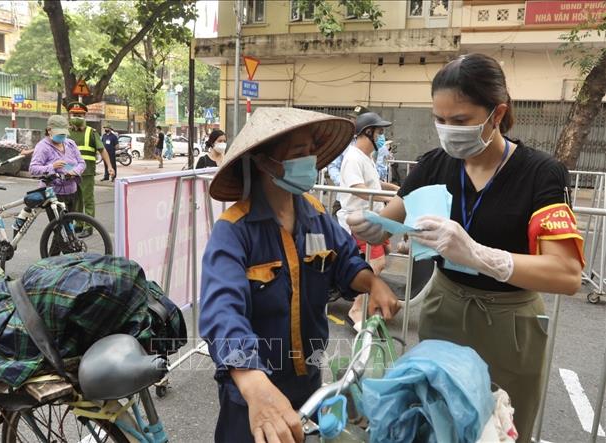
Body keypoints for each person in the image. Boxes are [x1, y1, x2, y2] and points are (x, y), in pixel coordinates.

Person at [348, 53, 584, 443]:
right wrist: (371, 226)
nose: (447, 131)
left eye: (459, 121)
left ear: (497, 113)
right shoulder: (435, 165)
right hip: (445, 313)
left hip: (510, 325)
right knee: (438, 423)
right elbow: (390, 217)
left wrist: (479, 255)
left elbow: (567, 274)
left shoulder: (541, 174)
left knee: (504, 428)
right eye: (439, 120)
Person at [200, 107, 400, 443]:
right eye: (297, 154)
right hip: (252, 393)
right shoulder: (233, 231)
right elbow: (222, 313)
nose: (309, 160)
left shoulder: (317, 215)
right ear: (265, 163)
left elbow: (345, 261)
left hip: (309, 382)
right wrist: (253, 383)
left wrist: (373, 283)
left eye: (310, 151)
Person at [336, 112, 399, 331]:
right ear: (368, 132)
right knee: (377, 263)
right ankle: (356, 309)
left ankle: (369, 300)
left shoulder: (366, 157)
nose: (382, 137)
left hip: (374, 219)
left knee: (385, 255)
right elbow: (359, 189)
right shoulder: (352, 157)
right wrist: (391, 199)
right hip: (360, 221)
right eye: (380, 132)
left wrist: (395, 189)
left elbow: (373, 182)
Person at [66, 101, 114, 238]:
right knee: (76, 200)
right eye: (74, 114)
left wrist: (109, 167)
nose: (76, 116)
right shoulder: (67, 133)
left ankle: (89, 226)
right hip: (71, 173)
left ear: (85, 116)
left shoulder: (91, 133)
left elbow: (102, 150)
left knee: (88, 200)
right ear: (69, 115)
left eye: (79, 114)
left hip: (87, 173)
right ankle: (79, 224)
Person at [29, 115, 86, 209]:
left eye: (64, 134)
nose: (62, 136)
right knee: (59, 222)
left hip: (72, 191)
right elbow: (33, 169)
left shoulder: (70, 144)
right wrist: (52, 167)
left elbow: (82, 163)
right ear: (49, 130)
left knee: (71, 221)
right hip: (53, 193)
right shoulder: (43, 147)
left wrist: (74, 172)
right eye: (59, 134)